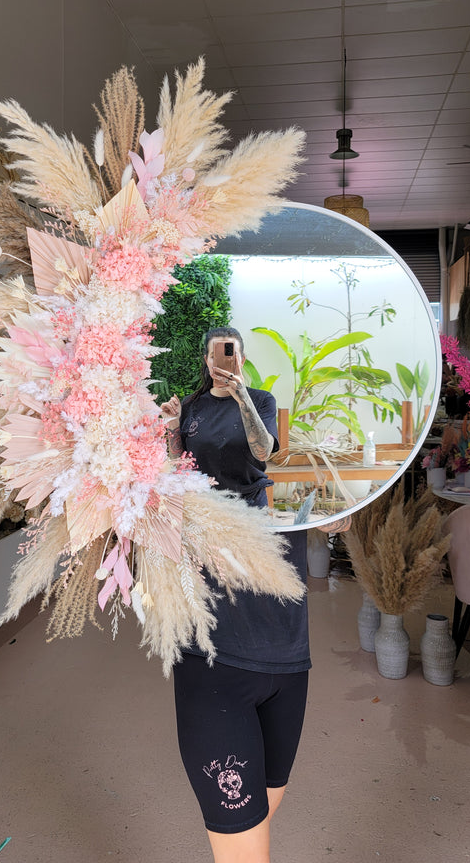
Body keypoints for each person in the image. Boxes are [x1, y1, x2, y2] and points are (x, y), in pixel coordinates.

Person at [160, 326, 350, 863]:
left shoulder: (260, 399)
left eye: (233, 353)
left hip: (267, 569)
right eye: (216, 353)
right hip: (204, 545)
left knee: (263, 806)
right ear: (205, 358)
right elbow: (178, 469)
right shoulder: (191, 407)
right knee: (244, 830)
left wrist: (242, 394)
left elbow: (264, 451)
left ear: (242, 358)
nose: (224, 361)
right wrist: (169, 433)